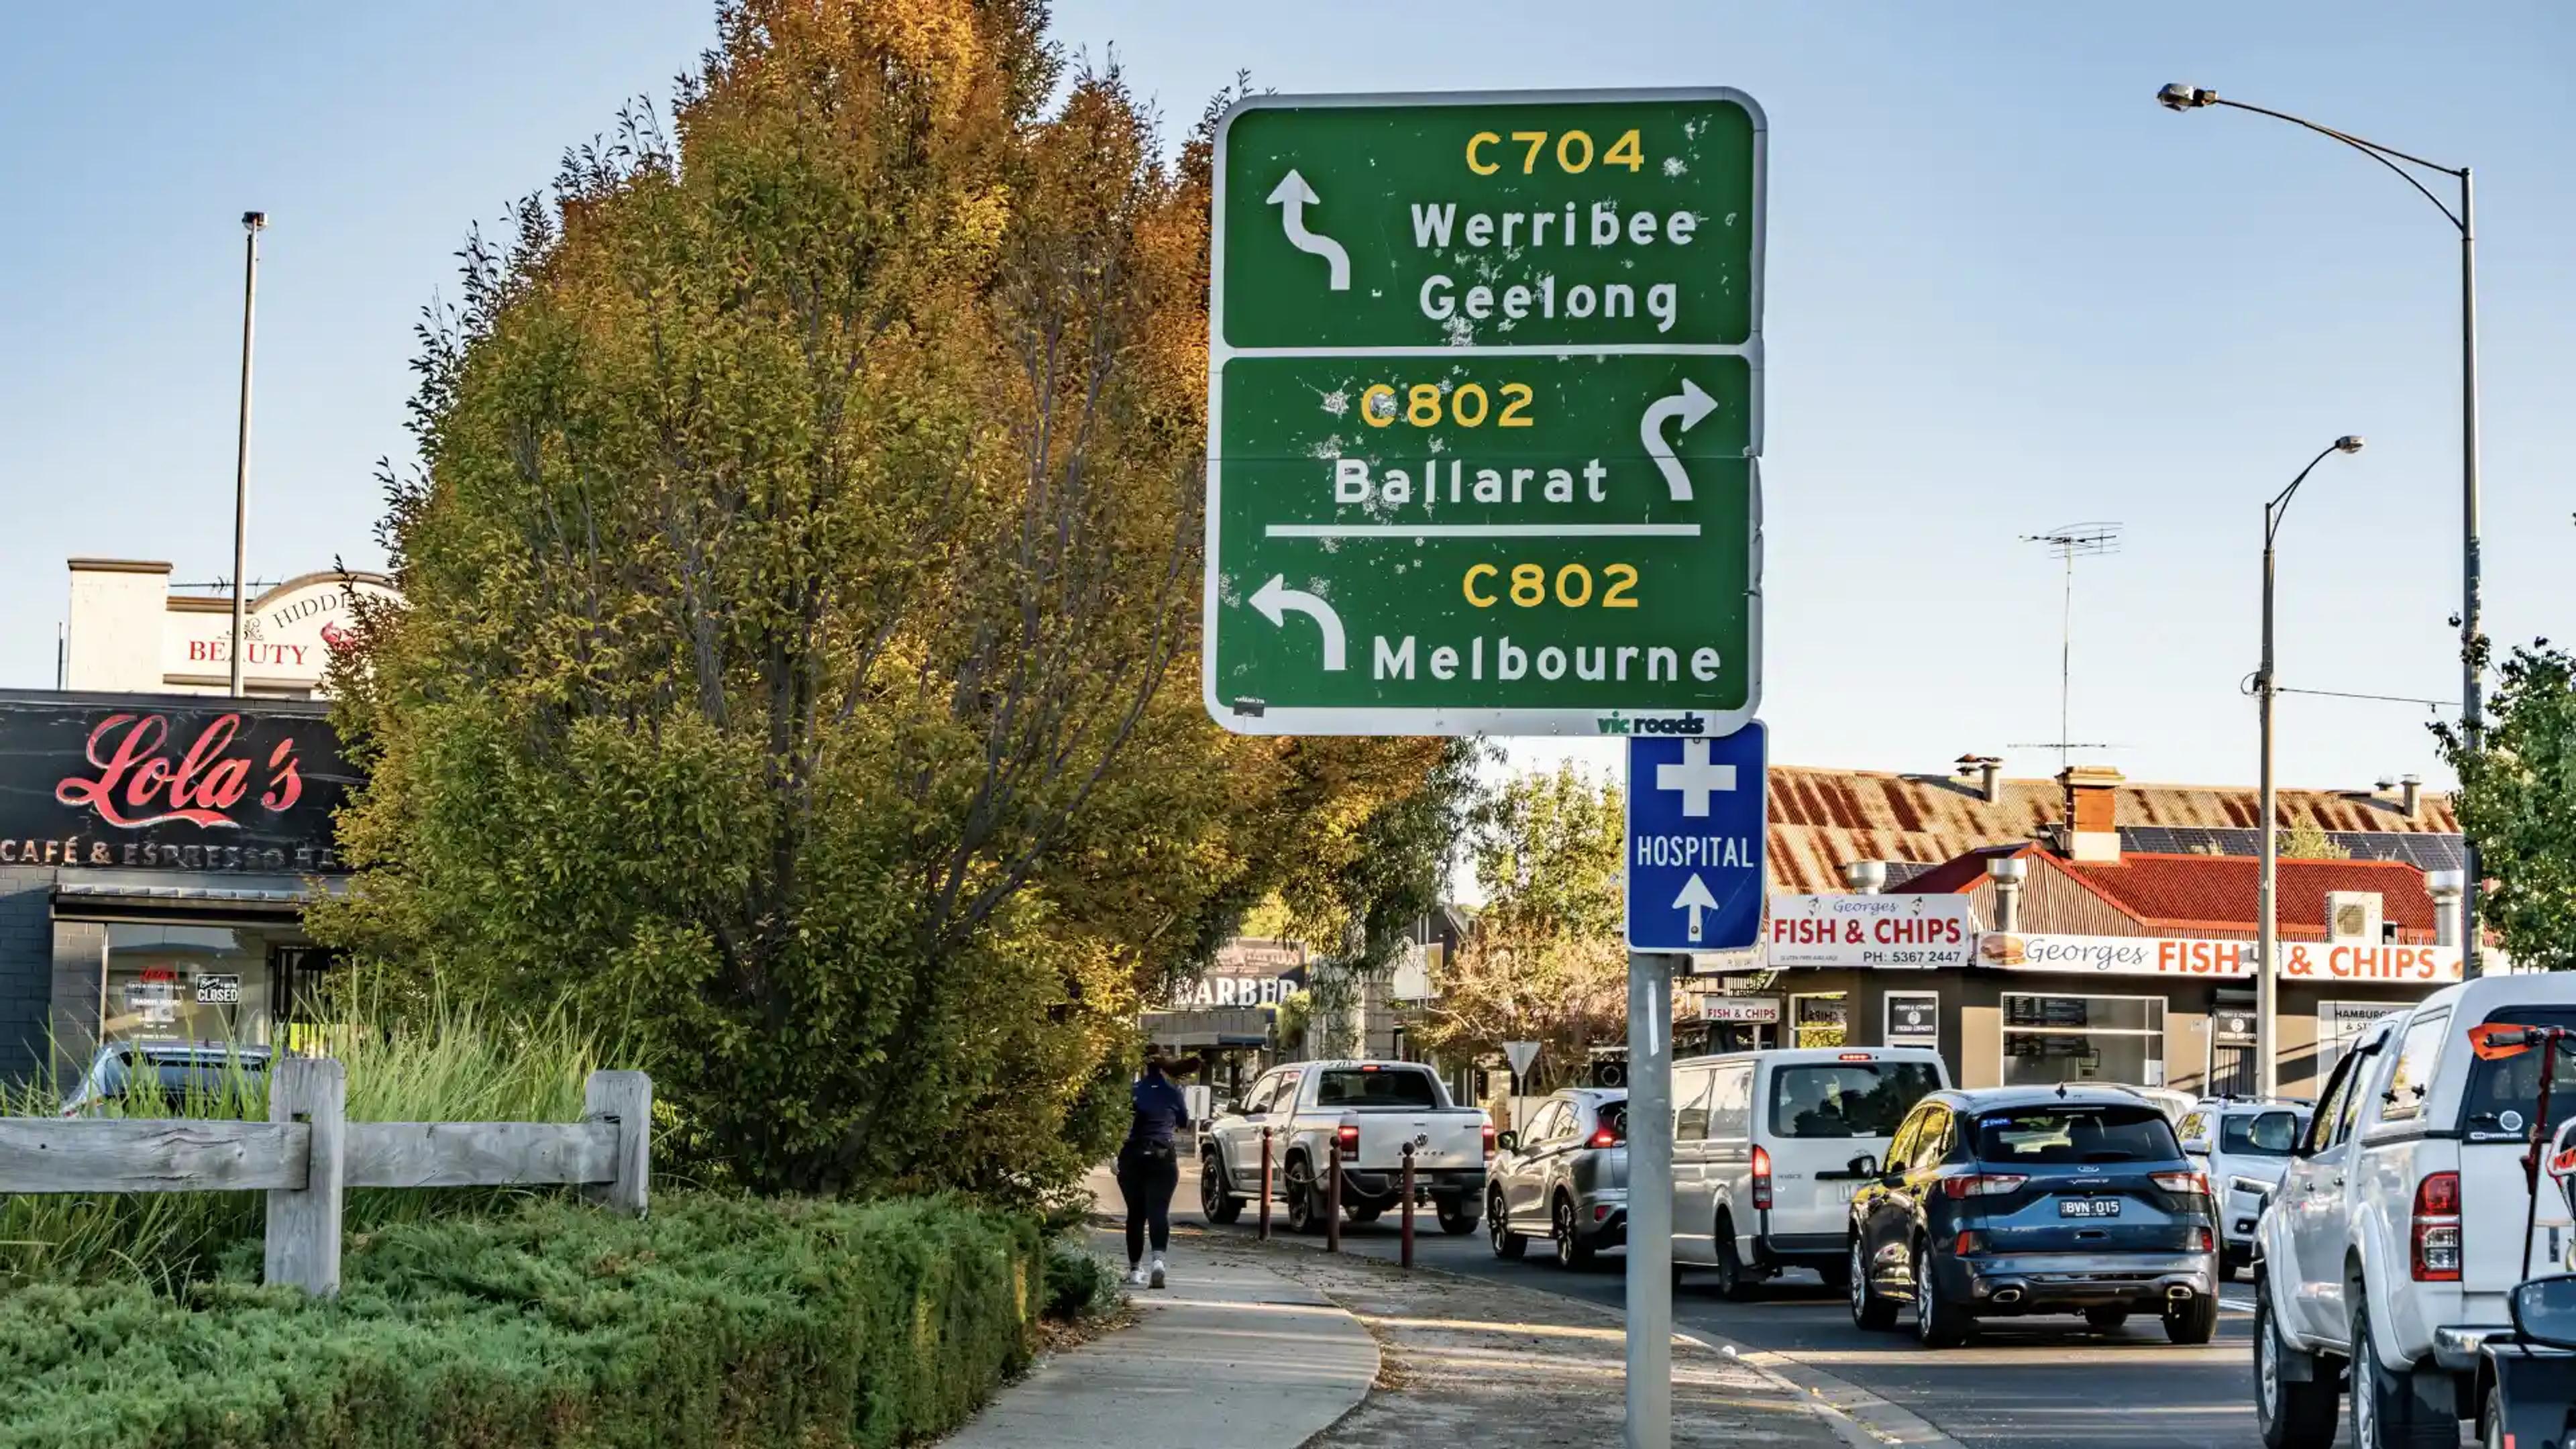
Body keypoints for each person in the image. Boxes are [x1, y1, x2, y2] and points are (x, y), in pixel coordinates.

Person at [1118, 1048, 1193, 1289]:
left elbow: (1121, 1122)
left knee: (1136, 1214)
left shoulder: (1134, 1092)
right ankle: (1158, 1262)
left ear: (1142, 1065)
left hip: (1133, 1156)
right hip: (1163, 1156)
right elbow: (1183, 1122)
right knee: (1159, 1211)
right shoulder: (1173, 1093)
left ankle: (1134, 1271)